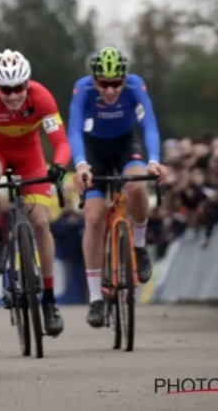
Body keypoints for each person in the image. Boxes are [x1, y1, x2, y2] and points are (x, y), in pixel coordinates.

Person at [0, 49, 71, 338]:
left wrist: (59, 166)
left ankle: (50, 300)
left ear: (27, 84)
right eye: (6, 89)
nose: (13, 95)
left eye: (18, 88)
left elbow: (61, 142)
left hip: (30, 158)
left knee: (40, 223)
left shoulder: (41, 97)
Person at [67, 46, 166, 329]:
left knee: (136, 187)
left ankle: (139, 245)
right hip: (93, 150)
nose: (110, 90)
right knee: (95, 217)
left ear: (124, 78)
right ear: (94, 79)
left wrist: (155, 161)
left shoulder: (135, 85)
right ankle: (96, 298)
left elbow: (150, 126)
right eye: (104, 84)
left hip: (125, 145)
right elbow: (73, 129)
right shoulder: (83, 89)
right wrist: (82, 164)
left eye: (115, 83)